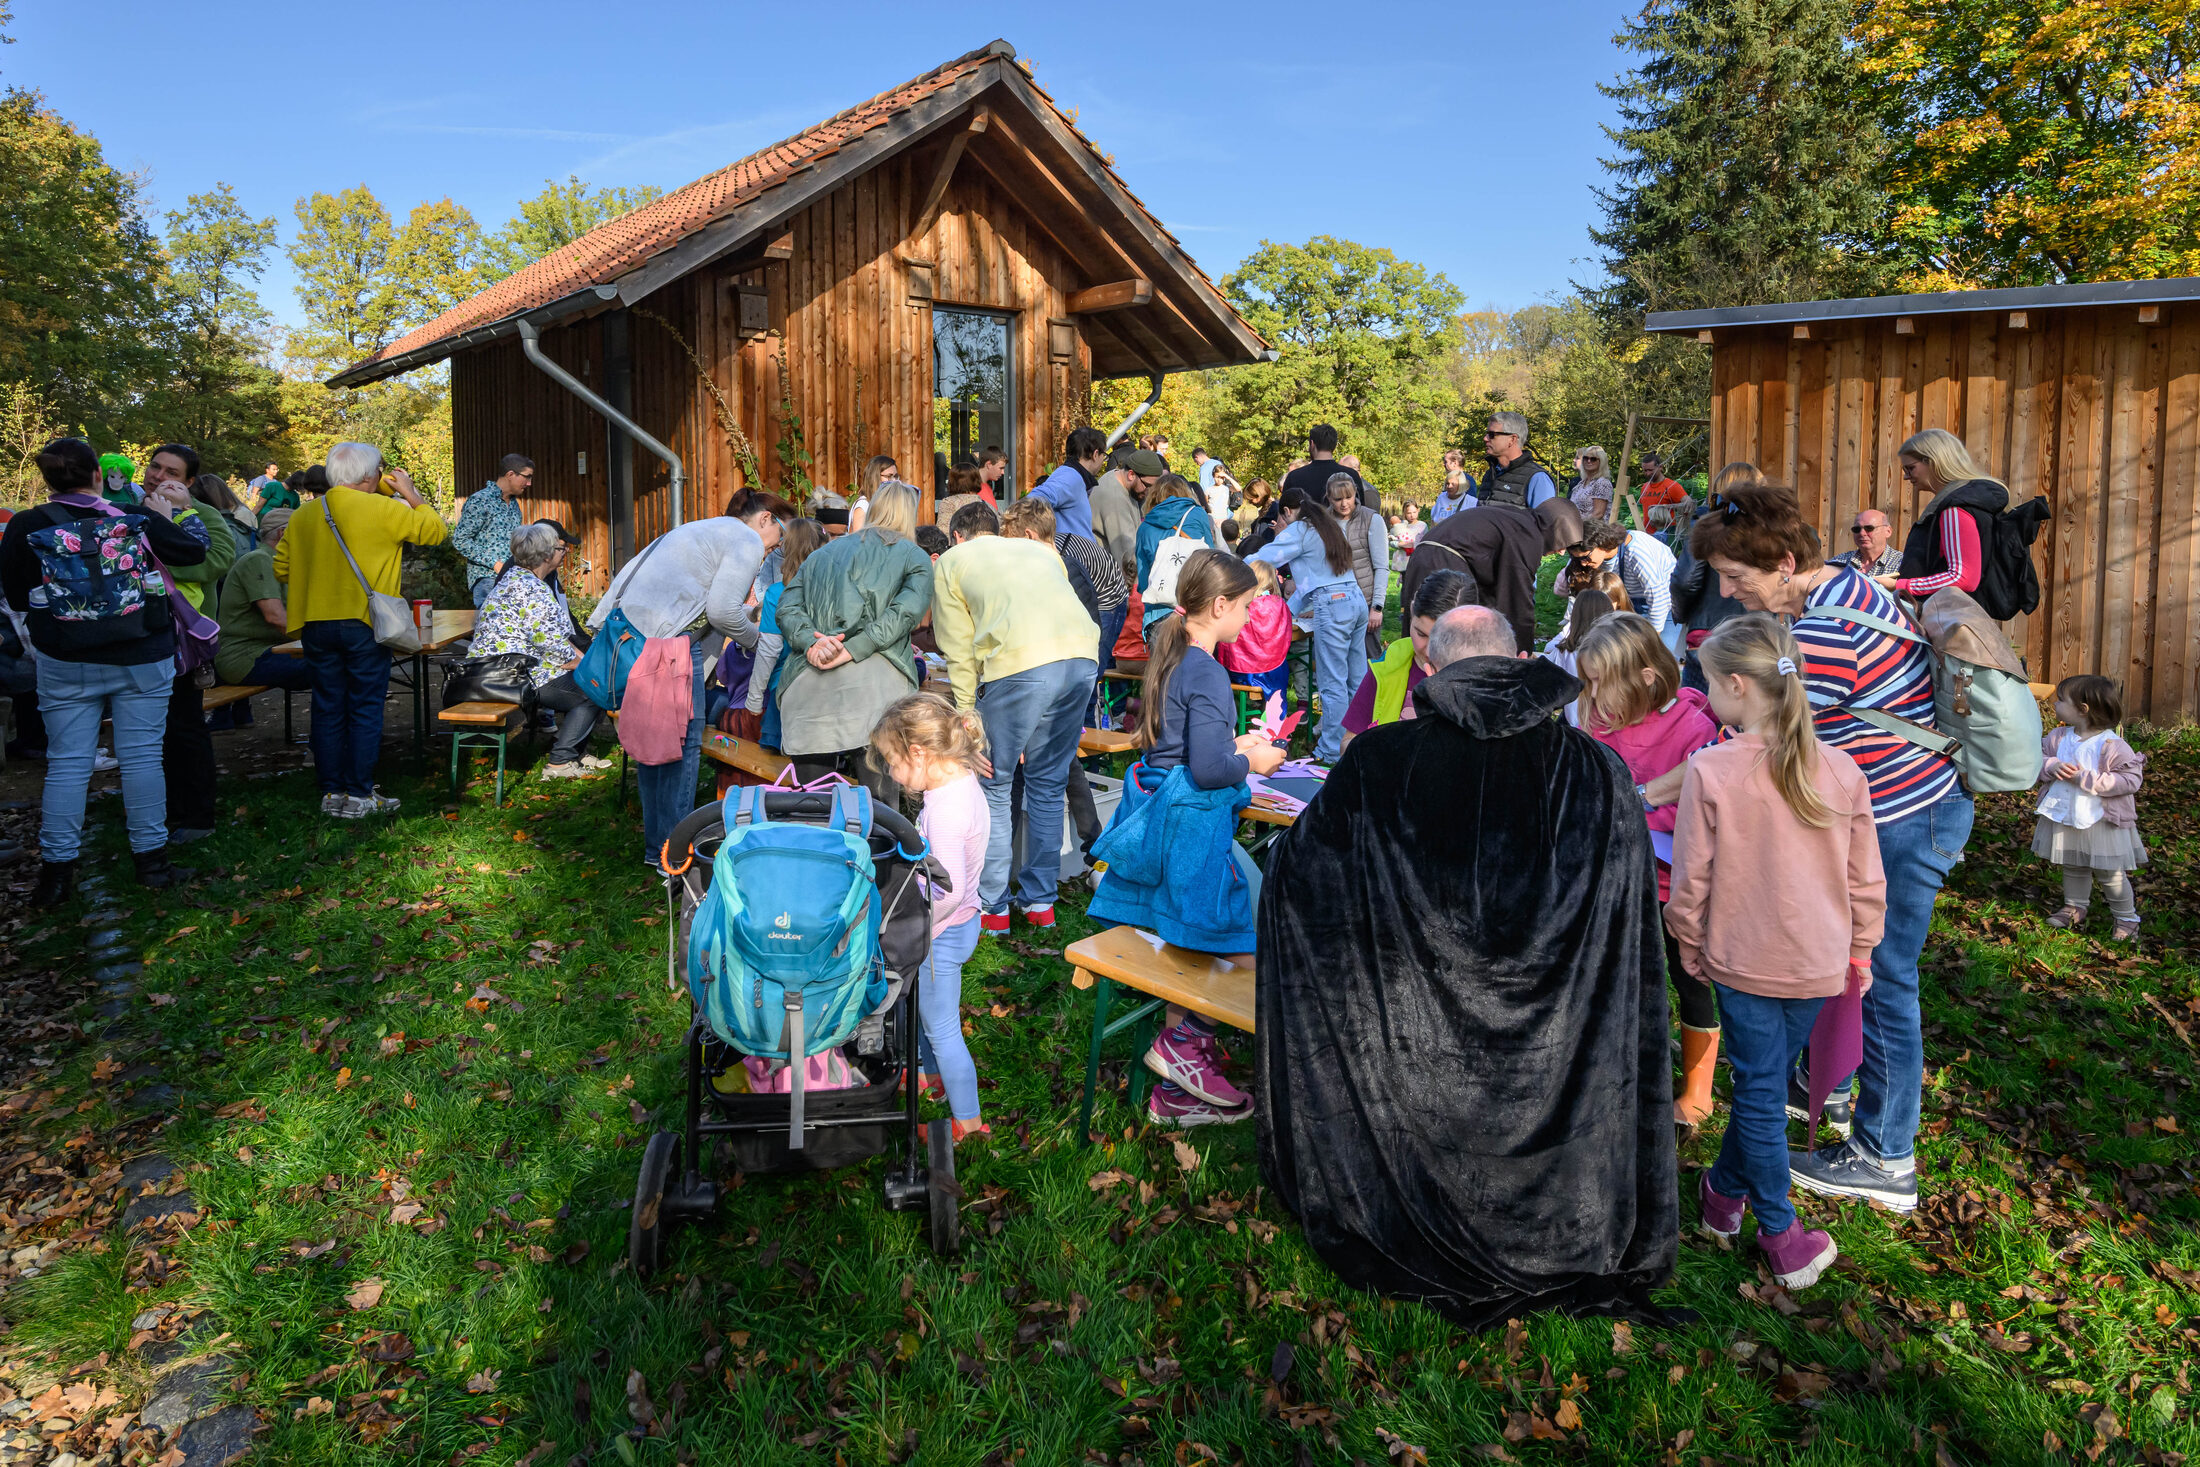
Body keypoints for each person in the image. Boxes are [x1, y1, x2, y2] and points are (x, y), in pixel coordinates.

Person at [1257, 601, 1679, 1328]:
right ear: (1517, 662)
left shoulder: (1378, 762)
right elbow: (1629, 937)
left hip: (1415, 1083)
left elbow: (1299, 882)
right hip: (1557, 1090)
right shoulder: (1597, 772)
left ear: (1428, 666)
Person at [1641, 481, 1968, 1213]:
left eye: (1737, 576)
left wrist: (1643, 794)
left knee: (1880, 977)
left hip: (1907, 816)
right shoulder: (1843, 592)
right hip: (1900, 806)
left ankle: (1886, 1155)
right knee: (1857, 966)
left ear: (1785, 562)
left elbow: (1743, 750)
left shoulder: (1820, 636)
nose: (1727, 591)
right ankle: (1826, 1091)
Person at [1669, 613, 1885, 1290]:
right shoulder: (1843, 767)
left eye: (1708, 685)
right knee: (1764, 1086)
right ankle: (1722, 1196)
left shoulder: (1711, 769)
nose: (1706, 698)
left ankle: (1780, 1233)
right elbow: (1866, 879)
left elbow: (1689, 878)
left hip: (1746, 960)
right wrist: (1861, 950)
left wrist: (1688, 938)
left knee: (1760, 1091)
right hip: (1816, 962)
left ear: (1738, 685)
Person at [1089, 550, 1285, 1126]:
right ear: (1220, 605)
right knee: (1249, 950)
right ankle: (1186, 1044)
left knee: (1191, 941)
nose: (1251, 617)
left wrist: (1234, 750)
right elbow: (1205, 771)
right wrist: (1256, 762)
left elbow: (1178, 751)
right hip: (1191, 832)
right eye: (1247, 607)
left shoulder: (1171, 656)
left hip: (1167, 821)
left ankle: (1182, 1076)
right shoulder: (1208, 671)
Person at [4, 438, 211, 903]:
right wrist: (176, 512)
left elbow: (18, 598)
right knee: (141, 758)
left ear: (47, 479)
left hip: (66, 659)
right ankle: (152, 864)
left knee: (68, 764)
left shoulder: (27, 525)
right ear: (99, 474)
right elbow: (194, 553)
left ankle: (56, 876)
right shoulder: (133, 519)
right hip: (143, 652)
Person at [1574, 612, 1720, 1124]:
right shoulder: (1596, 720)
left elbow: (1703, 811)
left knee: (1689, 978)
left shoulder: (1694, 727)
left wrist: (1646, 810)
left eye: (1601, 682)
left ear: (1646, 677)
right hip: (1613, 877)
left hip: (1673, 884)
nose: (1593, 694)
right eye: (1587, 681)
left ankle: (1698, 1089)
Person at [929, 496, 1099, 931]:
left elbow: (959, 650)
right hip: (1082, 659)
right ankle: (1040, 903)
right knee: (1048, 783)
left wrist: (967, 715)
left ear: (955, 536)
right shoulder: (1041, 550)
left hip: (1020, 666)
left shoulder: (950, 563)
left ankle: (992, 907)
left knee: (993, 782)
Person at [590, 488, 774, 866]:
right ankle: (675, 851)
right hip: (667, 644)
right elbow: (722, 613)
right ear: (766, 519)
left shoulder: (703, 529)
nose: (770, 553)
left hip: (636, 633)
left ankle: (656, 848)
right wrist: (758, 643)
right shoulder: (746, 539)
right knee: (682, 742)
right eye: (777, 541)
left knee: (653, 745)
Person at [275, 442, 450, 819]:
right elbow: (435, 531)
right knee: (365, 707)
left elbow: (282, 568)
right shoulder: (383, 508)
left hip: (315, 623)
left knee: (327, 706)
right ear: (370, 476)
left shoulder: (305, 515)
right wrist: (406, 490)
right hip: (365, 622)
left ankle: (331, 793)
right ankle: (359, 795)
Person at [870, 693, 992, 1145]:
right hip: (959, 924)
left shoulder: (945, 809)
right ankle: (925, 1078)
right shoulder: (958, 786)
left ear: (918, 753)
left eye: (892, 761)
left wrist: (910, 924)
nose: (891, 772)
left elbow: (949, 889)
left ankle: (968, 1123)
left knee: (941, 1026)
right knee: (922, 1010)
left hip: (943, 932)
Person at [776, 482, 931, 802]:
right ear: (908, 514)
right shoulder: (914, 556)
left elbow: (787, 608)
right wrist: (851, 649)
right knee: (879, 817)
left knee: (813, 810)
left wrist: (811, 643)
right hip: (877, 695)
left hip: (808, 691)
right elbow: (904, 615)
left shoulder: (823, 554)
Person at [143, 444, 232, 843]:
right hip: (136, 637)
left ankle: (197, 814)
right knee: (148, 729)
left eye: (172, 472)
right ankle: (159, 808)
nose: (159, 476)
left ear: (189, 482)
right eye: (155, 467)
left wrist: (155, 558)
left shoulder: (206, 516)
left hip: (183, 637)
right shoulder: (125, 507)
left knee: (184, 724)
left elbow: (217, 562)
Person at [472, 523, 610, 779]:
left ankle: (574, 753)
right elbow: (554, 649)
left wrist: (585, 660)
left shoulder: (515, 580)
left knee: (592, 679)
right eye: (561, 548)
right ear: (546, 555)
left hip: (497, 669)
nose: (564, 552)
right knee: (594, 690)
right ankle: (560, 761)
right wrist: (587, 666)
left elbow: (553, 639)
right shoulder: (533, 589)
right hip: (512, 674)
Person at [1249, 486, 1367, 764]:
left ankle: (1329, 750)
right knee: (1356, 679)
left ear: (1287, 512)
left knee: (1332, 683)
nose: (1277, 524)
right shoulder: (1327, 525)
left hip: (1333, 603)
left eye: (1278, 519)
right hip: (1355, 598)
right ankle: (1359, 741)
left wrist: (1229, 566)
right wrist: (1285, 612)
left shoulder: (1299, 529)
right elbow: (1305, 586)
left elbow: (1263, 558)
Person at [2035, 674, 2146, 940]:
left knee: (2110, 872)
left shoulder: (2112, 745)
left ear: (2082, 709)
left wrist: (2084, 777)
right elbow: (2035, 759)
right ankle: (2075, 906)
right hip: (2066, 814)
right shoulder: (2059, 738)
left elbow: (2130, 780)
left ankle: (2126, 917)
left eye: (2061, 701)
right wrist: (2051, 766)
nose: (2055, 705)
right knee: (2073, 864)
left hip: (2101, 822)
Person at [1399, 498, 1585, 654]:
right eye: (1563, 542)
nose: (1561, 552)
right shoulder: (1528, 536)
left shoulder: (1517, 518)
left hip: (1423, 556)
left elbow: (1491, 589)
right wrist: (1522, 655)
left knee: (1420, 639)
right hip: (1442, 563)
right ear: (1554, 528)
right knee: (1443, 643)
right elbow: (1517, 600)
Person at [1885, 427, 2041, 600]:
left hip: (1941, 619)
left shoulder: (1955, 508)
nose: (1906, 477)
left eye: (1910, 468)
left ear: (1933, 462)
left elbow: (1962, 577)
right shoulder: (1963, 502)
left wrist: (1898, 585)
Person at [1341, 568, 1476, 745]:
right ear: (1411, 611)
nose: (1428, 651)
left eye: (1444, 640)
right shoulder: (1390, 664)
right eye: (1421, 634)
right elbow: (1348, 740)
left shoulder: (1483, 678)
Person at [212, 505, 314, 702]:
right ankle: (335, 732)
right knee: (329, 667)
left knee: (334, 663)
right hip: (245, 657)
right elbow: (275, 617)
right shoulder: (259, 560)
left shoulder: (281, 562)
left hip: (269, 651)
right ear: (283, 533)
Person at [750, 518, 825, 745]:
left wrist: (754, 698)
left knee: (778, 766)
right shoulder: (832, 590)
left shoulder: (776, 594)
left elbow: (768, 651)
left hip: (784, 688)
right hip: (825, 687)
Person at [1670, 475, 1748, 691]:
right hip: (1756, 632)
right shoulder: (1770, 527)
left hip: (1707, 631)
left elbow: (1684, 580)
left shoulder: (1708, 524)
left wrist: (1683, 615)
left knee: (1698, 712)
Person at [1133, 467, 1217, 634]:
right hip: (1194, 608)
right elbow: (1211, 556)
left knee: (1162, 659)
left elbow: (1143, 580)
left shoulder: (1145, 527)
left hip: (1158, 613)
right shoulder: (1198, 514)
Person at [453, 454, 535, 607]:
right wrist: (494, 564)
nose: (529, 483)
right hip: (487, 580)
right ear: (510, 475)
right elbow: (460, 540)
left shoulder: (514, 504)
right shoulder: (480, 500)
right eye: (527, 477)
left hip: (511, 578)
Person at [1575, 517, 1676, 632]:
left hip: (1666, 608)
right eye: (1578, 558)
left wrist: (1653, 636)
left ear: (1600, 543)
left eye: (1585, 557)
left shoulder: (1637, 552)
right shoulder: (1597, 558)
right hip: (1631, 605)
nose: (1583, 563)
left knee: (1662, 648)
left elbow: (1658, 598)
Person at [1218, 558, 1293, 710]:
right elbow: (1286, 637)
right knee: (1282, 668)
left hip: (1237, 671)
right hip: (1272, 672)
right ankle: (1274, 726)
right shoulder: (1279, 604)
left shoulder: (1239, 605)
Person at [1325, 472, 1390, 647]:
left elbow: (1382, 567)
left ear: (1355, 494)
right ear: (1329, 498)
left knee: (1369, 660)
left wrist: (1377, 607)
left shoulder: (1371, 519)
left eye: (1348, 497)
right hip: (1334, 603)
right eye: (1338, 499)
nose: (1344, 503)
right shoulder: (1323, 522)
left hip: (1366, 602)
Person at [1027, 426, 1107, 541]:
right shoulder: (1070, 477)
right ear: (1095, 454)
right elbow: (1033, 499)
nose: (1103, 461)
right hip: (1070, 556)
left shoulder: (1075, 476)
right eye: (1103, 456)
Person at [1475, 412, 1558, 511]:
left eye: (1492, 435)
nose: (1485, 438)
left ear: (1512, 439)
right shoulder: (1490, 474)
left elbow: (1546, 522)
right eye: (1487, 434)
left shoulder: (1538, 478)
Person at [1279, 424, 1366, 509]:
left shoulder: (1294, 477)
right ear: (1334, 445)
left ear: (1312, 444)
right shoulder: (1351, 476)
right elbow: (1360, 511)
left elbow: (1284, 516)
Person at [1089, 443, 1143, 578]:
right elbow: (1125, 555)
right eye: (1147, 485)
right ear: (1131, 475)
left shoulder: (1116, 479)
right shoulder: (1115, 499)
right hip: (1108, 578)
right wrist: (1134, 593)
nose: (1149, 492)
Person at [1831, 507, 1902, 580]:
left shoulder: (1901, 564)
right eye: (1857, 529)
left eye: (1869, 528)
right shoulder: (1839, 563)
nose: (1862, 533)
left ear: (1888, 532)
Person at [849, 454, 898, 533]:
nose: (894, 480)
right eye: (889, 476)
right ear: (875, 477)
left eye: (895, 476)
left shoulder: (887, 503)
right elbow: (858, 541)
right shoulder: (863, 505)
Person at [1571, 446, 1614, 520]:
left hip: (1593, 528)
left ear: (1601, 462)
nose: (1588, 461)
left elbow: (1598, 514)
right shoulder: (1580, 484)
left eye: (1593, 459)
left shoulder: (1602, 483)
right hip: (1575, 526)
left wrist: (1577, 524)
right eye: (1585, 458)